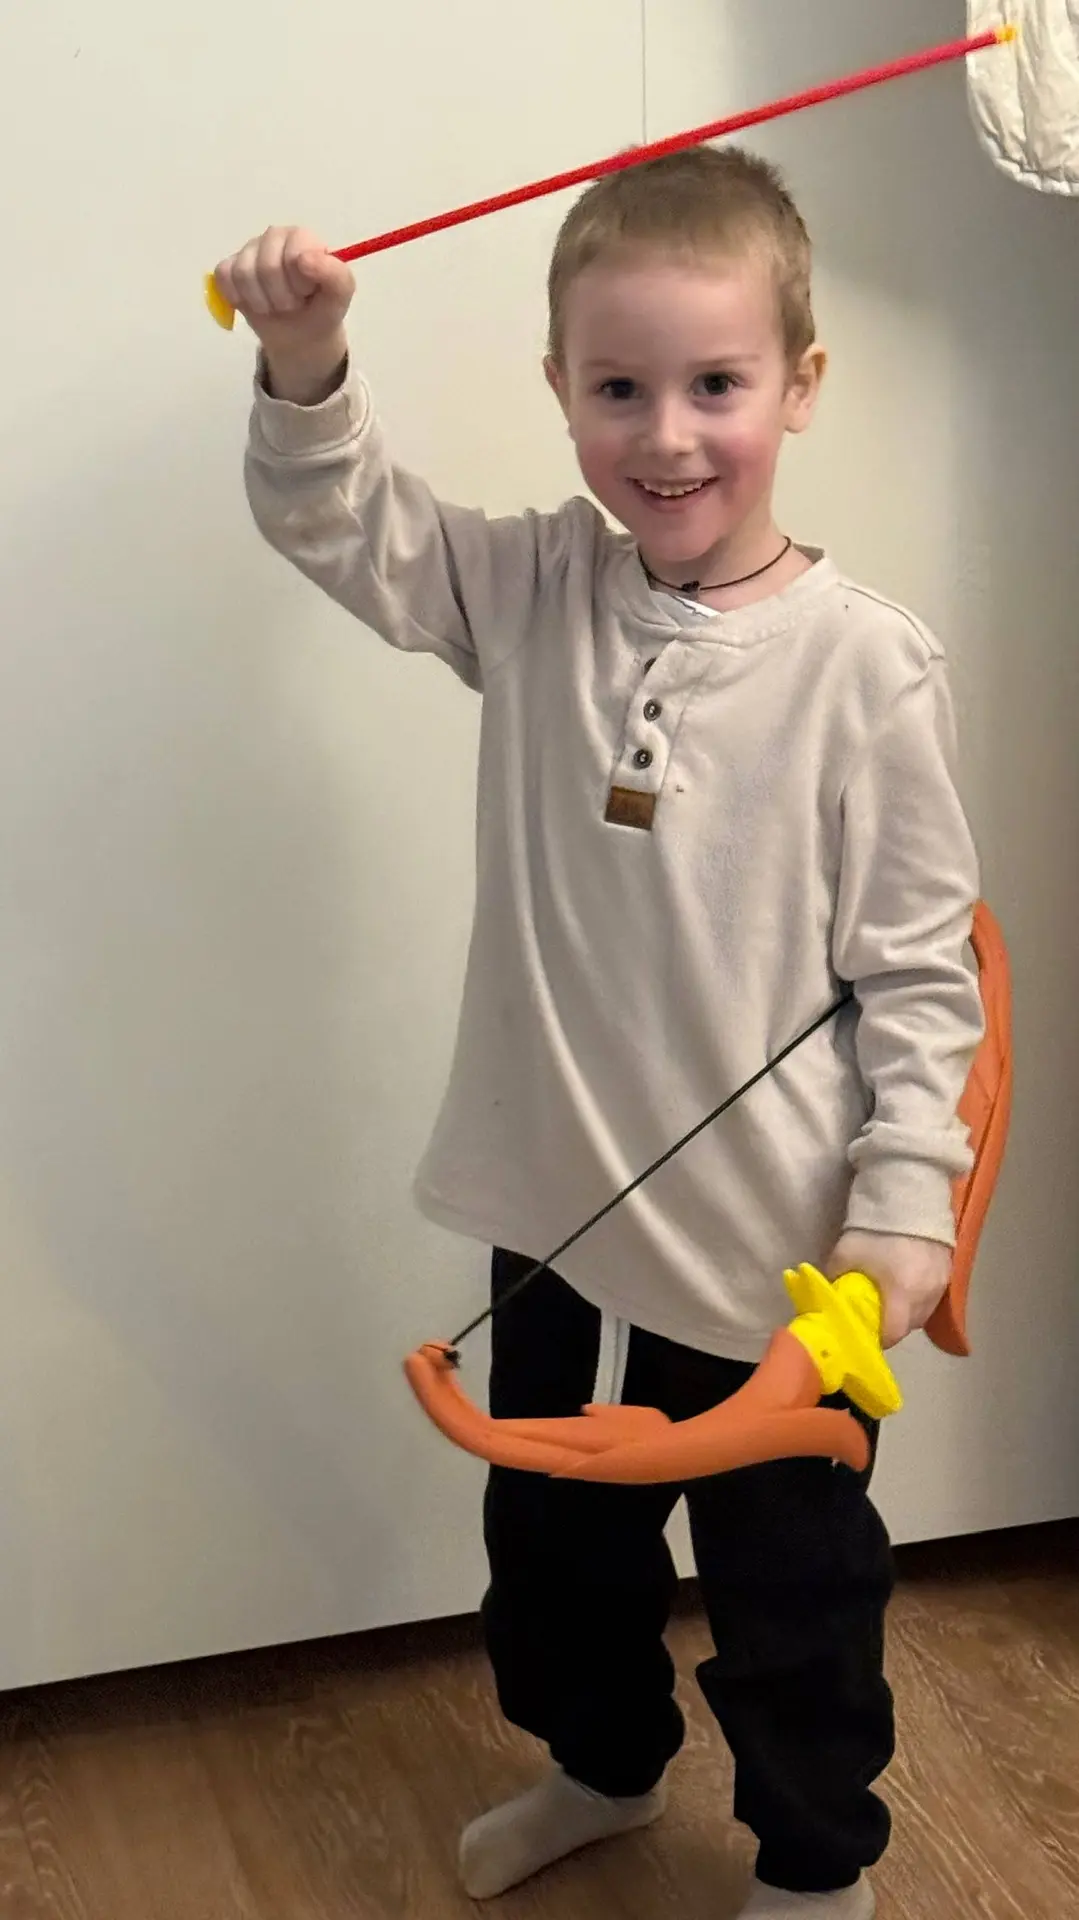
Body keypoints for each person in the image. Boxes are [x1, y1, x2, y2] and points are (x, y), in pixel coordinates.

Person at [214, 145, 983, 1919]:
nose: (668, 436)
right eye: (618, 389)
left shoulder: (868, 665)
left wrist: (904, 1214)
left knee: (794, 1601)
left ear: (798, 384)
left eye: (716, 384)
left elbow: (919, 972)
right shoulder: (538, 586)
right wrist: (306, 361)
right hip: (555, 1230)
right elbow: (345, 527)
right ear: (559, 389)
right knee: (555, 1566)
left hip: (783, 1271)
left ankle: (817, 1870)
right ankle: (603, 1768)